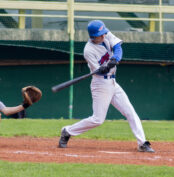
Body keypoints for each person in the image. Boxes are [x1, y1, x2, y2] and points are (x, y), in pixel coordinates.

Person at [58, 20, 154, 153]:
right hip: (100, 84)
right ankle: (67, 131)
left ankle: (142, 143)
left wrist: (115, 59)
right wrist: (105, 67)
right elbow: (101, 71)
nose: (104, 36)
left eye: (104, 33)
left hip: (113, 83)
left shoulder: (106, 33)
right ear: (93, 36)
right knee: (97, 120)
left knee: (130, 112)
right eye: (100, 35)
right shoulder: (88, 51)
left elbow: (118, 48)